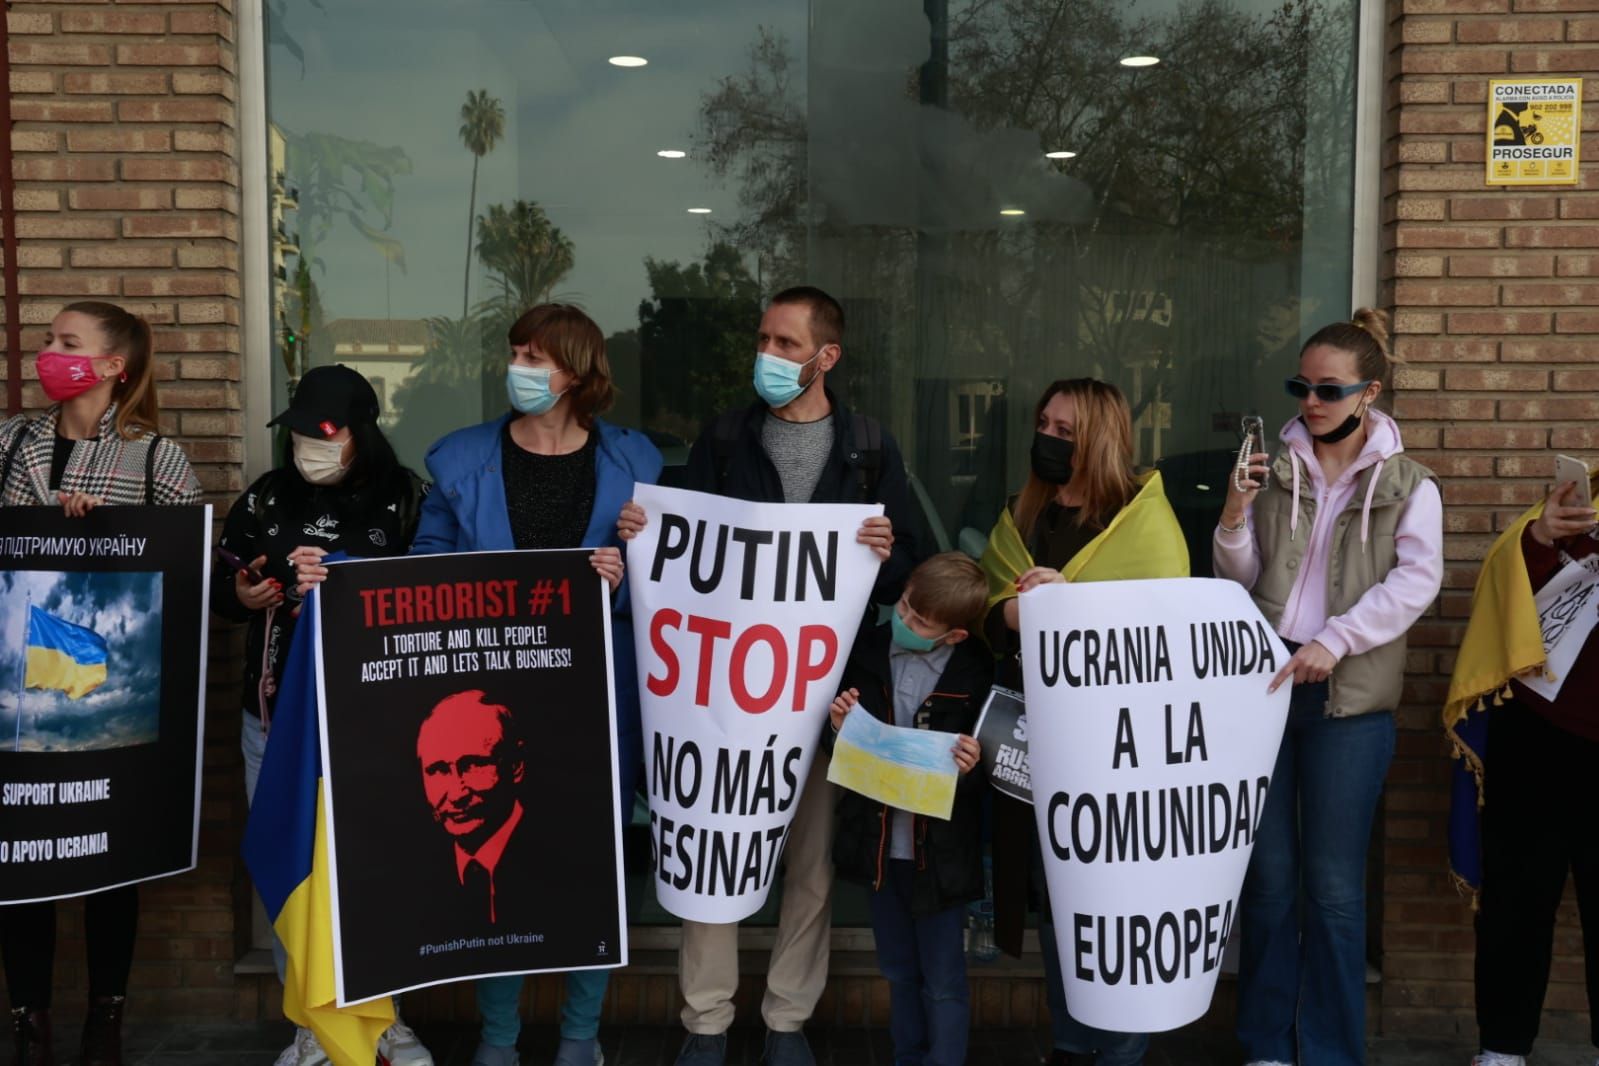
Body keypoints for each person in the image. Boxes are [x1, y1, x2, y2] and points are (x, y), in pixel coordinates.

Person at [302, 303, 661, 1066]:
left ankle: (580, 1038)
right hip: (490, 692)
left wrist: (624, 581)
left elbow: (670, 584)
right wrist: (330, 579)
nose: (518, 368)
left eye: (535, 356)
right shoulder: (461, 460)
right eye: (516, 352)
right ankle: (498, 1039)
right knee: (503, 862)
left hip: (599, 697)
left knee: (591, 859)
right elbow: (423, 570)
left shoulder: (638, 463)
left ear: (576, 372)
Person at [617, 285, 921, 1066]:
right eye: (764, 339)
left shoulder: (870, 450)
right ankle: (705, 1021)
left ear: (827, 356)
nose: (769, 356)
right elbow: (686, 561)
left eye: (786, 344)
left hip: (823, 695)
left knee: (809, 866)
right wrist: (644, 534)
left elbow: (909, 588)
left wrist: (888, 555)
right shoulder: (724, 439)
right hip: (725, 697)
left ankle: (787, 1020)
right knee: (714, 841)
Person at [1214, 308, 1442, 1066]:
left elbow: (1416, 583)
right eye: (1299, 386)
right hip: (1266, 690)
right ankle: (1266, 1046)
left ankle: (1334, 1050)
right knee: (1270, 883)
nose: (1309, 402)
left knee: (1336, 891)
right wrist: (1234, 516)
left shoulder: (1409, 484)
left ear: (1367, 393)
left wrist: (1332, 641)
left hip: (1348, 705)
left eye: (1327, 389)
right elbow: (1237, 580)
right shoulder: (1270, 466)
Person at [212, 363, 431, 1066]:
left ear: (360, 435)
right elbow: (220, 579)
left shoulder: (406, 501)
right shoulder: (269, 498)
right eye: (299, 431)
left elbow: (434, 592)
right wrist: (244, 596)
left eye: (324, 432)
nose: (309, 444)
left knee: (383, 877)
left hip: (379, 732)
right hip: (278, 729)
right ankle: (310, 1022)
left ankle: (386, 1019)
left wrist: (344, 584)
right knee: (289, 872)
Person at [1, 301, 202, 1066]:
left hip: (105, 693)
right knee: (21, 859)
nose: (48, 352)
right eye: (49, 339)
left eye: (66, 343)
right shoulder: (9, 442)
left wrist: (100, 534)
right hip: (11, 692)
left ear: (114, 365)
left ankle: (104, 1020)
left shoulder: (154, 459)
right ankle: (29, 1022)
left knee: (104, 858)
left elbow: (186, 573)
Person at [977, 377, 1189, 1066]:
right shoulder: (1021, 516)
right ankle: (1069, 1044)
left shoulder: (1143, 519)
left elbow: (1166, 634)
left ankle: (1121, 1047)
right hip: (1031, 740)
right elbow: (979, 605)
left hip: (1117, 751)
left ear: (1100, 437)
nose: (1048, 437)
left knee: (1116, 899)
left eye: (1065, 430)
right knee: (1053, 899)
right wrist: (1007, 614)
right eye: (1043, 423)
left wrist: (1073, 605)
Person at [1442, 466, 1599, 1066]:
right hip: (1536, 728)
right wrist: (1539, 540)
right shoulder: (1573, 508)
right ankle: (1502, 1049)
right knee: (1516, 904)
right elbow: (1510, 603)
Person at [826, 552, 992, 1066]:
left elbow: (1004, 763)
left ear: (955, 636)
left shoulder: (977, 671)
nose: (907, 622)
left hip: (941, 855)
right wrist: (836, 727)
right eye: (904, 607)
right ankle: (906, 1056)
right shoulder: (867, 650)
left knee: (943, 980)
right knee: (898, 969)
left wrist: (975, 764)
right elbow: (830, 742)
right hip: (880, 848)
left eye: (922, 623)